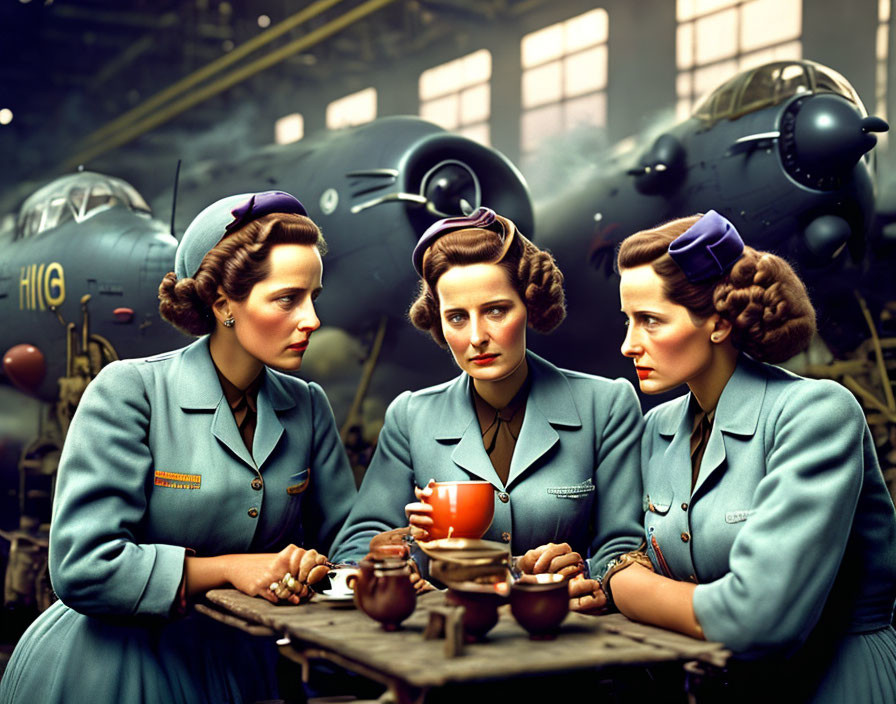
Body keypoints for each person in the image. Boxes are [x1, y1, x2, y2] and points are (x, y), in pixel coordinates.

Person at [0, 191, 358, 703]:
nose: (312, 320)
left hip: (247, 672)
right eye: (287, 299)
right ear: (223, 305)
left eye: (313, 298)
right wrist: (232, 568)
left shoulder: (307, 405)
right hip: (116, 673)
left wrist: (349, 562)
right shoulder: (129, 391)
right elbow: (83, 566)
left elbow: (345, 540)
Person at [612, 210, 896, 702]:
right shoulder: (657, 428)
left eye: (650, 321)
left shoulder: (816, 414)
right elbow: (627, 549)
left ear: (718, 324)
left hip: (835, 685)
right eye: (627, 321)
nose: (627, 344)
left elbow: (755, 620)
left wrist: (622, 584)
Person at [330, 207, 644, 610]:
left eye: (496, 310)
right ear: (438, 323)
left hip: (567, 636)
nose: (477, 337)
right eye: (457, 317)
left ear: (528, 305)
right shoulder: (410, 416)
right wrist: (392, 551)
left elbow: (624, 542)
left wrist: (588, 573)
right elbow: (358, 541)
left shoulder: (607, 406)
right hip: (443, 642)